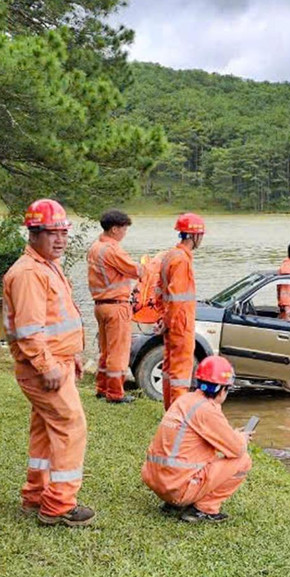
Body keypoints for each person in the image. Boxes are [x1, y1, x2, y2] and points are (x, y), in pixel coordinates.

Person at [2, 198, 93, 527]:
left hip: (56, 361)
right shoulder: (29, 273)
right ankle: (59, 504)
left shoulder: (46, 266)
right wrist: (48, 366)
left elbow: (56, 319)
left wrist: (71, 355)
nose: (60, 240)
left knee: (44, 429)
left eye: (63, 233)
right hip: (43, 368)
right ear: (33, 234)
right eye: (53, 233)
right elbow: (29, 332)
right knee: (70, 426)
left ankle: (36, 494)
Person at [142, 355, 253, 524]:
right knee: (243, 461)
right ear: (223, 389)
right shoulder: (207, 410)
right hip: (176, 489)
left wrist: (233, 436)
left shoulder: (185, 400)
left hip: (156, 480)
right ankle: (204, 510)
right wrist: (242, 438)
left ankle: (173, 502)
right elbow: (237, 449)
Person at [86, 208, 141, 404]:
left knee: (106, 351)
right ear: (115, 229)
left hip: (100, 305)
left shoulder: (95, 247)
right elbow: (135, 270)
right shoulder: (112, 249)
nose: (125, 233)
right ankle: (116, 393)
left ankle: (102, 388)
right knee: (119, 352)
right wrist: (151, 265)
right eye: (124, 229)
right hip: (116, 306)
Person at [159, 212, 204, 409]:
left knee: (169, 368)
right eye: (200, 235)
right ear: (194, 236)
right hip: (181, 322)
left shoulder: (170, 255)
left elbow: (160, 290)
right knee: (181, 373)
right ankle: (178, 416)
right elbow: (176, 297)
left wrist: (163, 319)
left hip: (172, 320)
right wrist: (169, 322)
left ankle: (170, 410)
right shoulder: (182, 261)